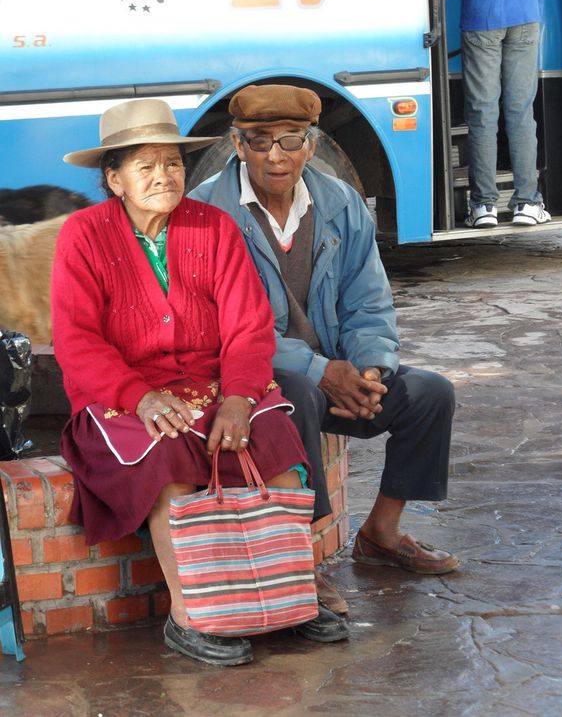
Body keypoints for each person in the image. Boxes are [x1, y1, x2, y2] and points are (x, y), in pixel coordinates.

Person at [51, 97, 349, 667]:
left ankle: (293, 595)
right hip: (121, 397)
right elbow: (77, 341)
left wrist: (239, 396)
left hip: (213, 384)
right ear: (114, 179)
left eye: (172, 163)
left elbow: (249, 325)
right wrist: (140, 396)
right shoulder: (83, 236)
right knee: (166, 459)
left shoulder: (212, 225)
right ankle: (191, 617)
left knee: (276, 443)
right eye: (145, 166)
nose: (164, 176)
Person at [189, 84, 460, 612]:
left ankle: (381, 532)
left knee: (430, 394)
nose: (276, 155)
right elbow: (224, 332)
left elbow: (368, 300)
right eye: (259, 141)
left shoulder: (341, 202)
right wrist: (319, 371)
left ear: (311, 146)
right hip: (261, 377)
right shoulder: (206, 214)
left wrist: (371, 370)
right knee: (297, 398)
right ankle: (303, 561)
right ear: (236, 145)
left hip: (338, 370)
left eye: (290, 141)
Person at [443, 0, 561, 228]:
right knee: (520, 111)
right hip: (525, 15)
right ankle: (527, 203)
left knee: (482, 112)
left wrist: (431, 12)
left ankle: (483, 206)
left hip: (481, 16)